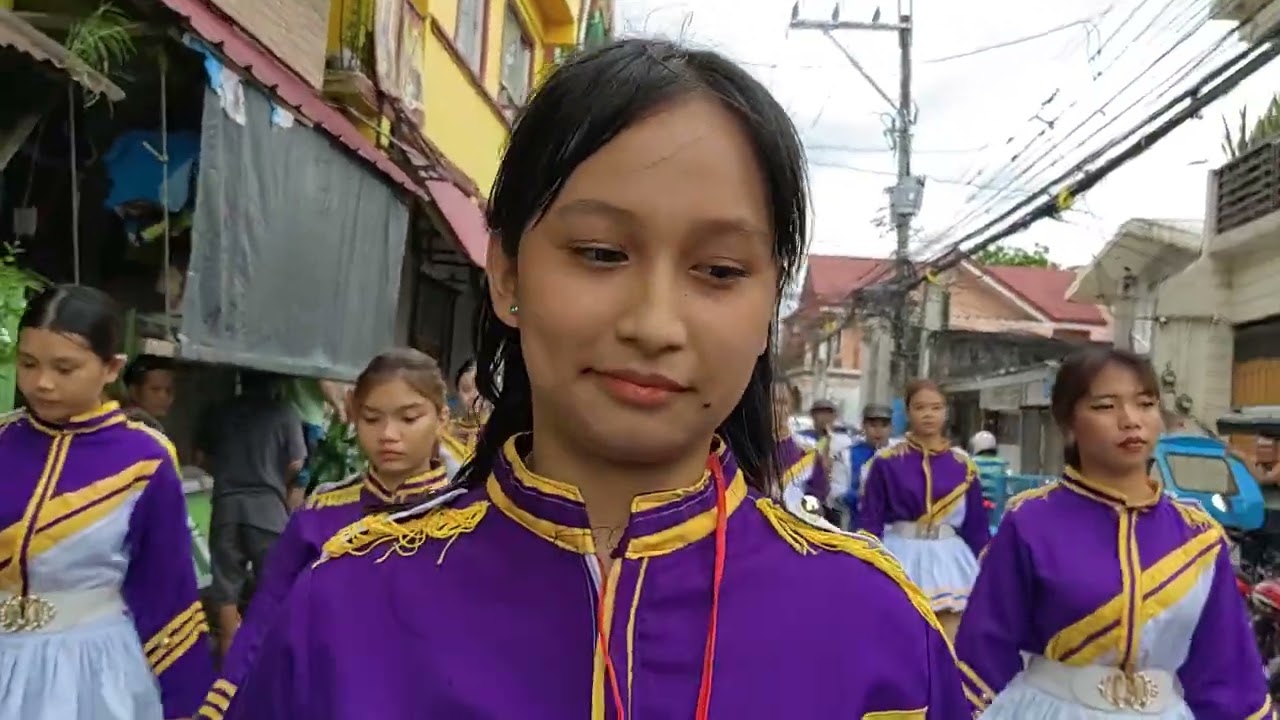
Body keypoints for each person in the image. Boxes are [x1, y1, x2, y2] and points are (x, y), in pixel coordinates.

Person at [214, 38, 966, 719]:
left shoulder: (877, 625)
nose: (655, 323)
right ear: (507, 274)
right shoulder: (348, 606)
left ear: (769, 304)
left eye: (720, 270)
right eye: (603, 253)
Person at [955, 347, 1272, 718]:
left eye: (1145, 403)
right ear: (1068, 423)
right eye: (1105, 406)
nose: (1130, 420)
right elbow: (984, 649)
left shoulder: (1199, 537)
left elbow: (1226, 671)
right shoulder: (1031, 521)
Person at [0, 284, 212, 719]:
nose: (41, 382)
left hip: (90, 669)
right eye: (27, 363)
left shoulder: (144, 458)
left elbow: (166, 588)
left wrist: (187, 701)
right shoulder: (3, 440)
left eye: (65, 368)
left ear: (111, 367)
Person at [204, 348, 457, 703]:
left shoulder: (468, 518)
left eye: (409, 419)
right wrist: (224, 698)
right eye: (371, 419)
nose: (388, 434)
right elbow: (265, 616)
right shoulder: (320, 516)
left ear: (442, 419)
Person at [858, 379, 989, 640]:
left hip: (951, 560)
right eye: (920, 407)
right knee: (898, 640)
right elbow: (871, 520)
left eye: (936, 407)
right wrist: (864, 567)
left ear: (946, 412)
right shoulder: (887, 462)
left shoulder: (963, 465)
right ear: (907, 413)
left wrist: (991, 570)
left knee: (950, 644)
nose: (929, 414)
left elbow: (977, 527)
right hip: (900, 554)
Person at [198, 370, 307, 658]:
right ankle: (268, 666)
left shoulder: (220, 411)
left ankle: (227, 676)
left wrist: (227, 476)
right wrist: (274, 479)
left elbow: (201, 458)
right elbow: (296, 463)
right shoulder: (285, 413)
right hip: (268, 512)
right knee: (275, 589)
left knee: (225, 590)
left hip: (226, 509)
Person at [833, 402, 894, 524]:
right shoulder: (847, 455)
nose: (878, 430)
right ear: (863, 426)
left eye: (884, 425)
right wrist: (863, 498)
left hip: (892, 530)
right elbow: (836, 491)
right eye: (873, 425)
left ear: (891, 427)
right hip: (856, 526)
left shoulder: (900, 453)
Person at [121, 354, 176, 431]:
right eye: (155, 389)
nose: (163, 396)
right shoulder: (126, 426)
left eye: (168, 390)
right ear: (134, 391)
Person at [447, 358, 487, 451]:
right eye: (466, 389)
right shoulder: (447, 430)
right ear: (458, 392)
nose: (474, 395)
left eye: (480, 388)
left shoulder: (498, 432)